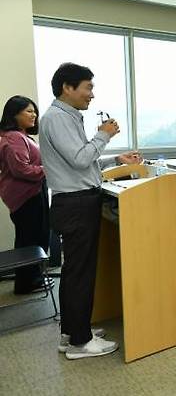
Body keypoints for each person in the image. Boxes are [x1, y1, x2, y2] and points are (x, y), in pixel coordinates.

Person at [40, 63, 142, 360]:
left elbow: (83, 162)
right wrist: (104, 135)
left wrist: (114, 159)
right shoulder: (58, 118)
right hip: (76, 204)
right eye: (88, 87)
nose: (92, 95)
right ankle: (80, 343)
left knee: (75, 272)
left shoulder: (66, 117)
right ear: (67, 88)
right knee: (79, 274)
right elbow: (80, 159)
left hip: (75, 200)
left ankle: (72, 332)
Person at [0, 96, 51, 294]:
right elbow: (22, 169)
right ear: (14, 114)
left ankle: (29, 280)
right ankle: (28, 283)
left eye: (34, 111)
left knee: (28, 239)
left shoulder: (16, 136)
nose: (34, 115)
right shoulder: (14, 137)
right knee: (31, 240)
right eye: (28, 111)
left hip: (26, 195)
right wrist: (49, 169)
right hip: (27, 196)